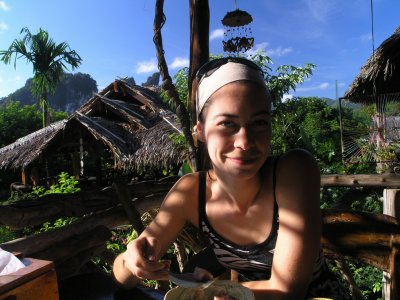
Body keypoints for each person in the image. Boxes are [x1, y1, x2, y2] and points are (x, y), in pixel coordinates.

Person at [112, 57, 349, 299]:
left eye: (259, 122)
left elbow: (288, 289)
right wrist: (132, 261)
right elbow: (121, 278)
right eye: (227, 123)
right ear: (200, 130)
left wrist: (212, 290)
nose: (245, 142)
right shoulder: (191, 191)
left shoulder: (293, 171)